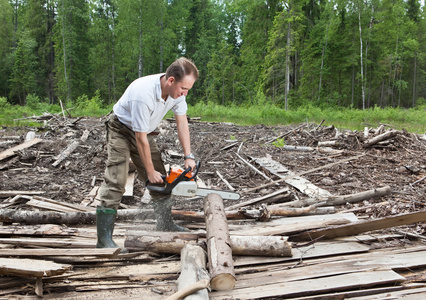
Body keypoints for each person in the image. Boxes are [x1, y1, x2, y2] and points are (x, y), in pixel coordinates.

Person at [95, 57, 198, 252]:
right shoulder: (143, 94)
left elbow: (182, 123)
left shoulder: (178, 94)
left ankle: (165, 223)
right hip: (121, 129)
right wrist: (148, 172)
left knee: (161, 177)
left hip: (145, 131)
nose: (185, 93)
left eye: (187, 90)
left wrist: (188, 156)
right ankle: (104, 240)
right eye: (183, 88)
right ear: (170, 81)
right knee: (117, 178)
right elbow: (139, 138)